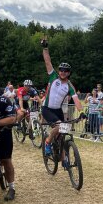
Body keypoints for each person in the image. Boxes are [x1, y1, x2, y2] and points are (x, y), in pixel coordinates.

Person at [40, 37, 83, 165]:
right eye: (61, 70)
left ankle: (63, 158)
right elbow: (47, 61)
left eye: (66, 71)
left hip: (58, 110)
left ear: (69, 73)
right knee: (59, 126)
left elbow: (76, 100)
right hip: (47, 108)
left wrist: (82, 112)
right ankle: (47, 142)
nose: (63, 72)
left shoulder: (69, 85)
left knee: (63, 132)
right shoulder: (53, 76)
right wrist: (45, 47)